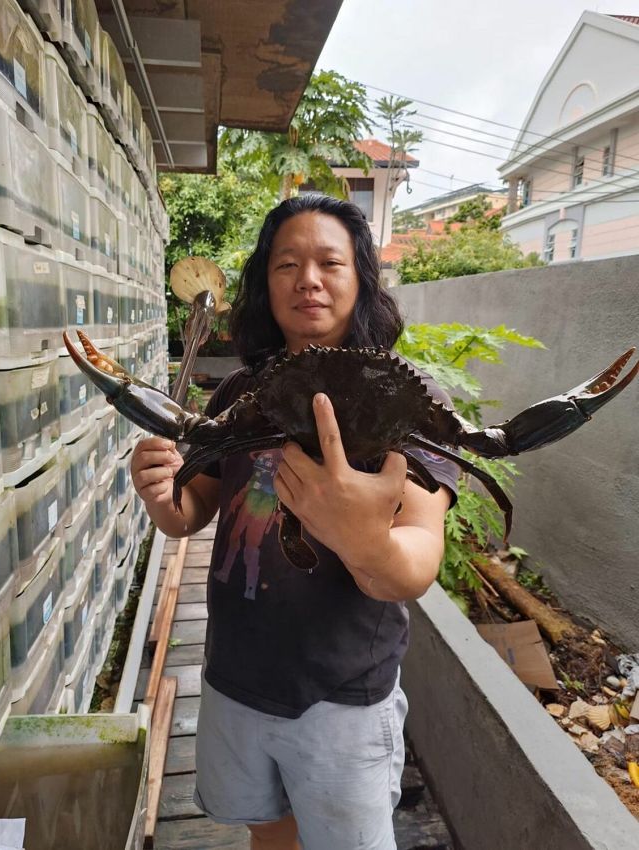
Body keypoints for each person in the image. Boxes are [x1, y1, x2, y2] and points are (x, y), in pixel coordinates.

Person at [131, 194, 458, 850]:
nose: (308, 278)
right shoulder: (236, 394)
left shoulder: (405, 397)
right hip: (236, 676)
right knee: (269, 834)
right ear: (265, 287)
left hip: (342, 696)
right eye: (287, 264)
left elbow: (417, 560)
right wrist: (163, 496)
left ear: (360, 279)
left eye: (329, 262)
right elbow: (191, 509)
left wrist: (363, 539)